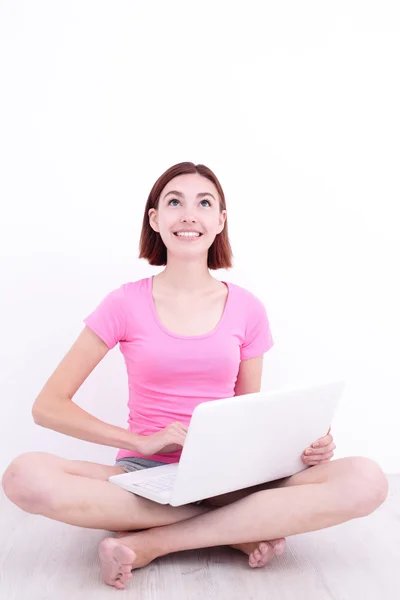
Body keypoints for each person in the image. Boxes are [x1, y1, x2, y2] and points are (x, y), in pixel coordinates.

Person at [2, 162, 388, 590]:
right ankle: (236, 530)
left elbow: (249, 412)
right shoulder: (123, 304)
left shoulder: (247, 308)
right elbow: (48, 407)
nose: (189, 214)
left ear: (220, 221)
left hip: (229, 478)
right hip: (142, 477)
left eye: (204, 203)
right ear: (155, 219)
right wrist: (139, 442)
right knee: (23, 475)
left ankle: (154, 544)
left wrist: (304, 443)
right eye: (174, 202)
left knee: (366, 479)